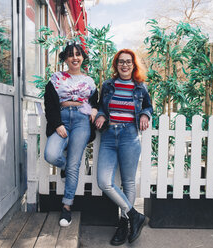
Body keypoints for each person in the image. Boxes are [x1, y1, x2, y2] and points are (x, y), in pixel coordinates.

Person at [95, 49, 153, 245]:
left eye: (128, 62)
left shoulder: (140, 87)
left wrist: (145, 114)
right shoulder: (108, 85)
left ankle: (124, 224)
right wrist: (101, 114)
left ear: (133, 65)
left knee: (128, 182)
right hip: (109, 137)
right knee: (104, 181)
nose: (125, 65)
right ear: (116, 64)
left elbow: (148, 106)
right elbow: (102, 106)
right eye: (121, 62)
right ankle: (135, 215)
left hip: (129, 136)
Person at [44, 41, 98, 227]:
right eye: (71, 54)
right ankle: (66, 166)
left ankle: (66, 207)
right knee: (51, 154)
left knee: (75, 165)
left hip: (82, 121)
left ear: (82, 57)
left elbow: (95, 102)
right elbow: (49, 104)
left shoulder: (89, 81)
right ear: (65, 59)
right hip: (63, 119)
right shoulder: (56, 78)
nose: (75, 57)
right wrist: (57, 123)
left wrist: (94, 110)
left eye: (78, 54)